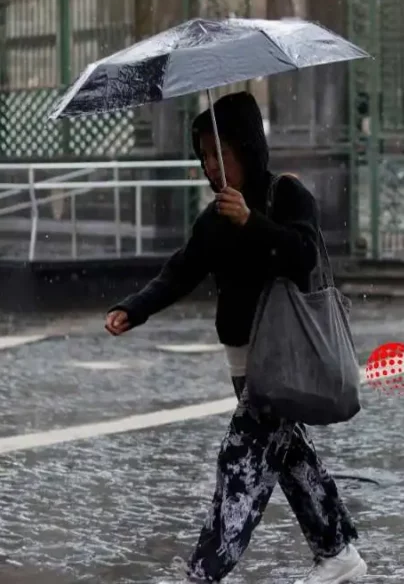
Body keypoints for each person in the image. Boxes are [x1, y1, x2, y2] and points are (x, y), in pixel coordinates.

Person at [105, 91, 367, 584]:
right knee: (290, 459)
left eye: (217, 153)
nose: (209, 165)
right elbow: (180, 272)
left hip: (282, 359)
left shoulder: (286, 196)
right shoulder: (214, 219)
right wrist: (132, 308)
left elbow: (304, 255)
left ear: (245, 148)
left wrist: (253, 223)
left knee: (240, 460)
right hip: (243, 362)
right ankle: (339, 554)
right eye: (203, 154)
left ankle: (204, 574)